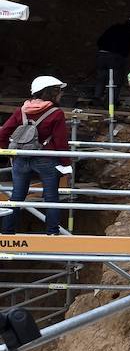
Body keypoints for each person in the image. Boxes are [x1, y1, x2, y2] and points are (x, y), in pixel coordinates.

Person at [0, 76, 73, 236]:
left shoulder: (22, 110)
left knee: (17, 196)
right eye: (59, 91)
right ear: (51, 93)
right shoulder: (56, 113)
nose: (61, 94)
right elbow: (61, 141)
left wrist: (8, 152)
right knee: (51, 197)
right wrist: (66, 163)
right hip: (46, 159)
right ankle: (52, 234)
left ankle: (6, 233)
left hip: (21, 157)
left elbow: (3, 133)